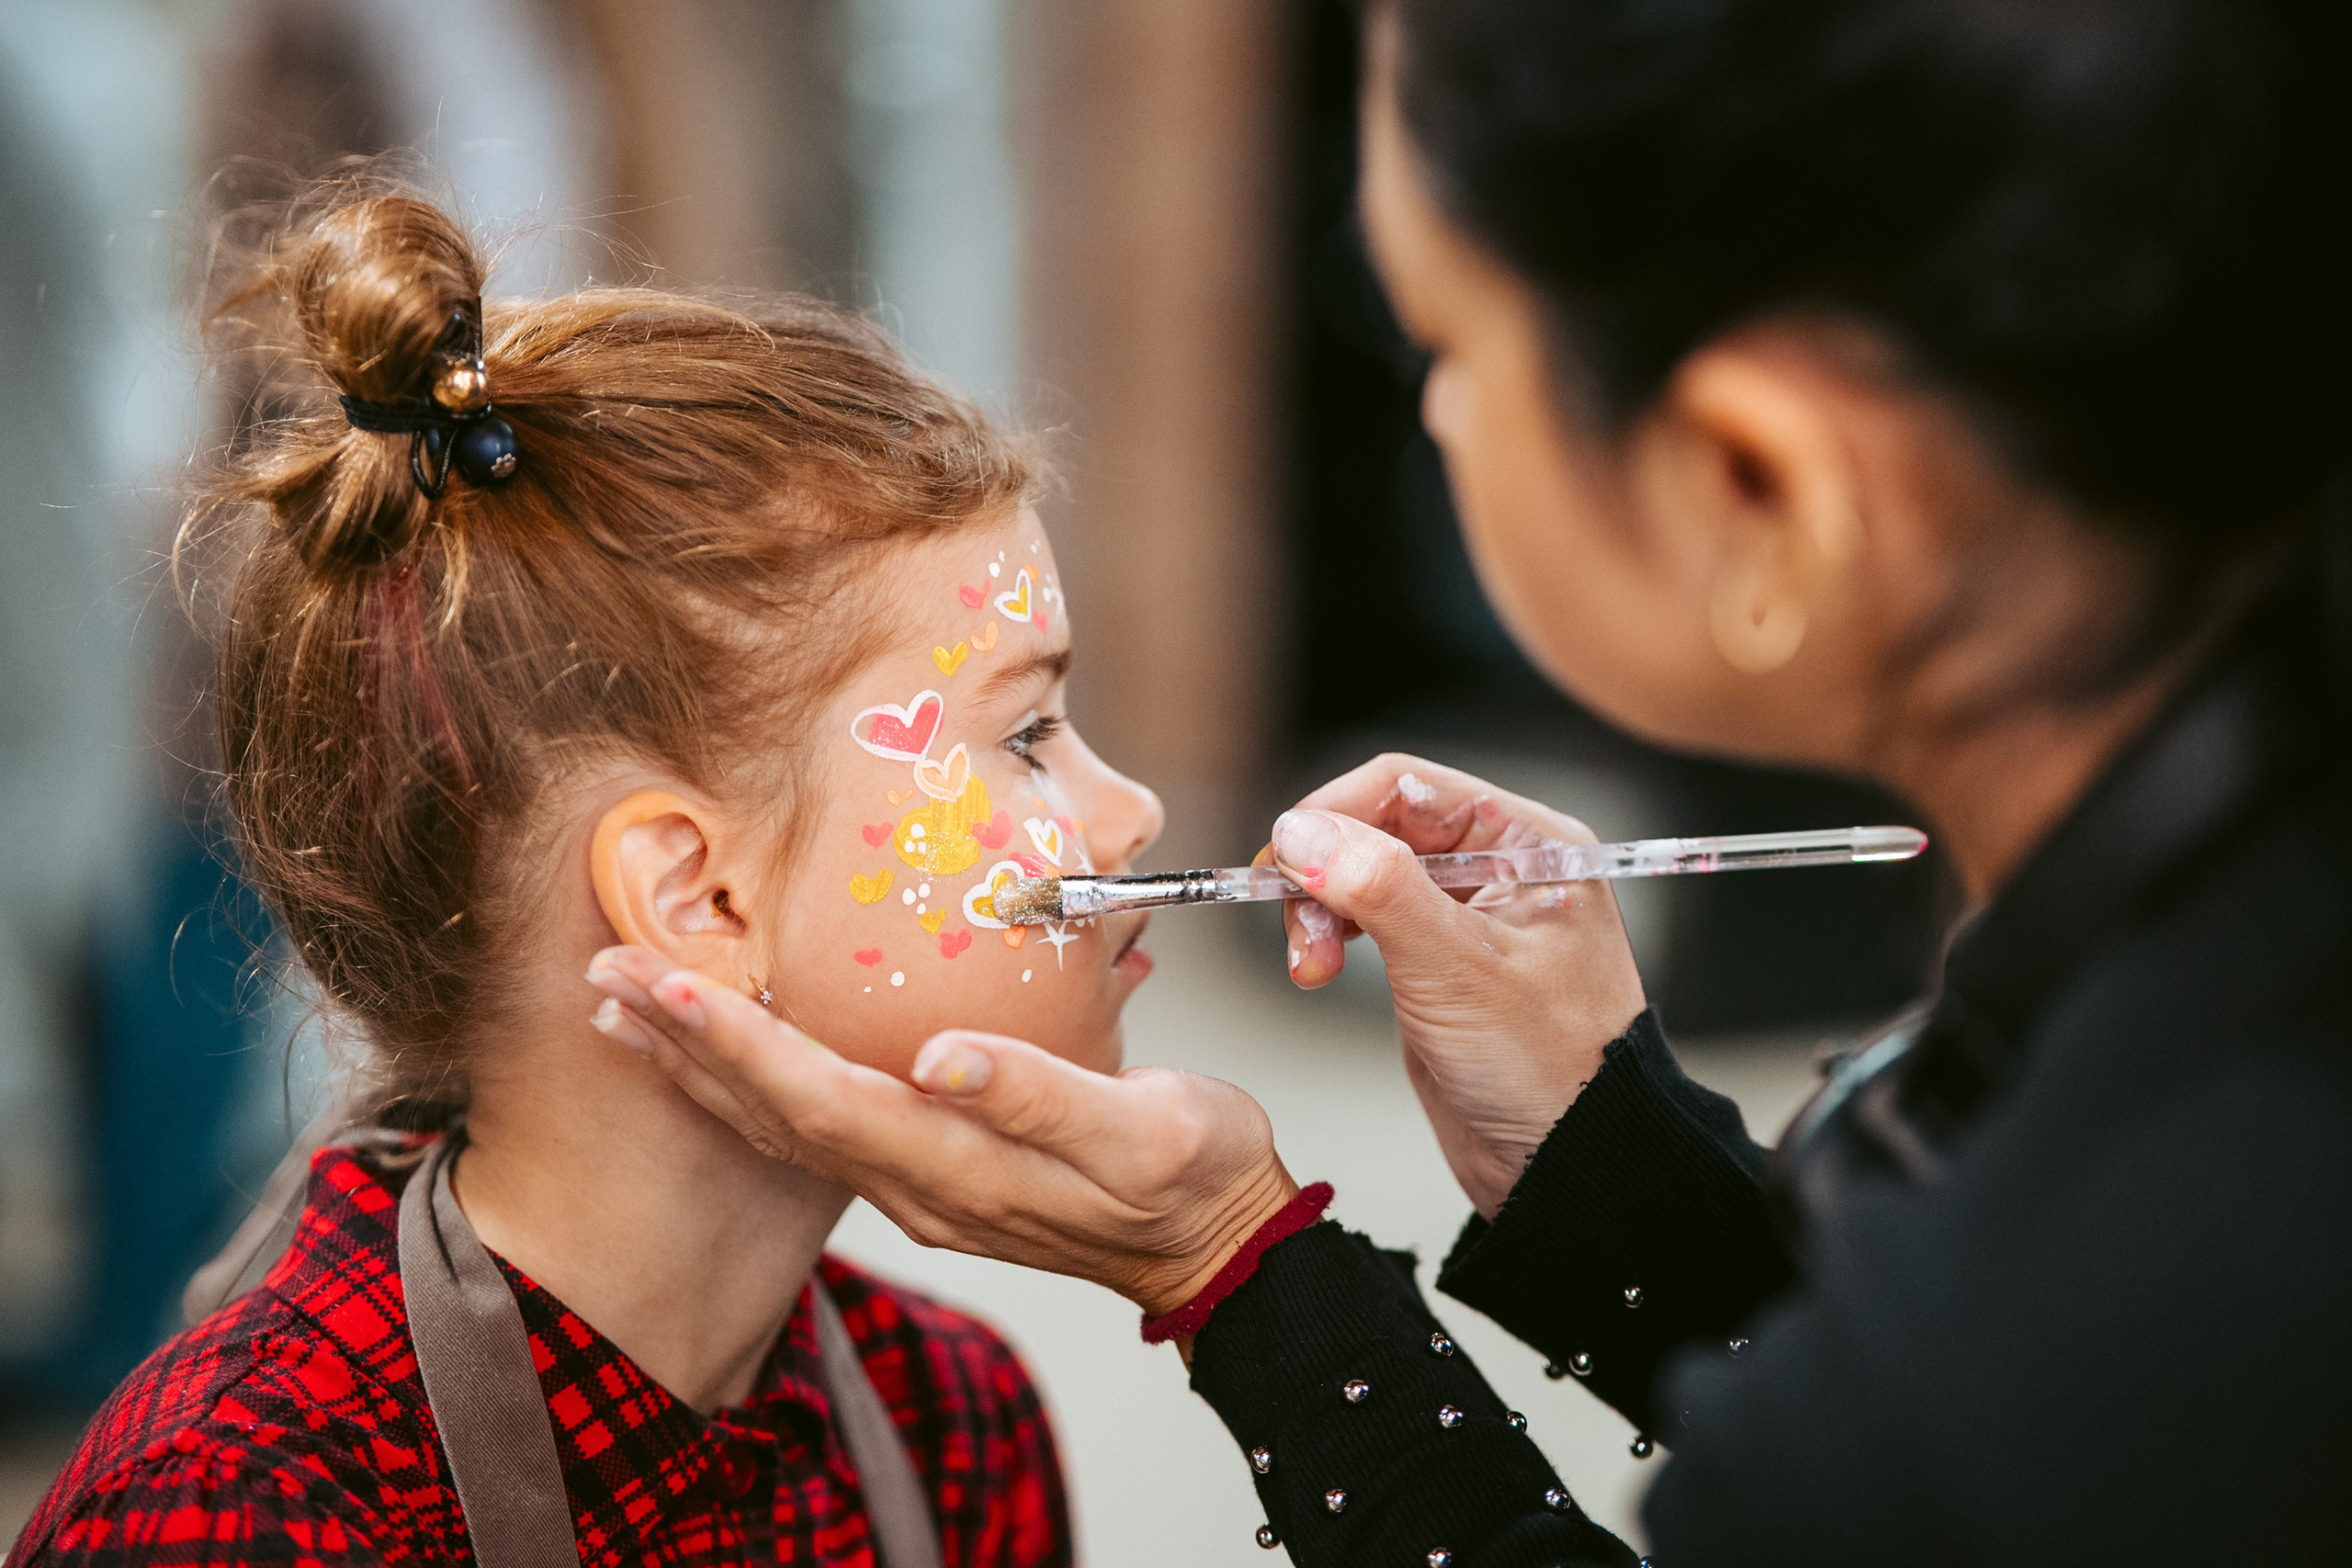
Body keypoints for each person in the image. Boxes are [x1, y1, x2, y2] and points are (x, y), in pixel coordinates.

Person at [578, 0, 2352, 1562]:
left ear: (1758, 485)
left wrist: (1238, 1272)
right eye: (1030, 733)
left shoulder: (2164, 1277)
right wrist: (1599, 1148)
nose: (1427, 418)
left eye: (1445, 341)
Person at [10, 184, 1174, 1568]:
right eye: (1030, 734)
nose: (1132, 813)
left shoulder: (956, 1420)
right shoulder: (247, 1514)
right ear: (696, 897)